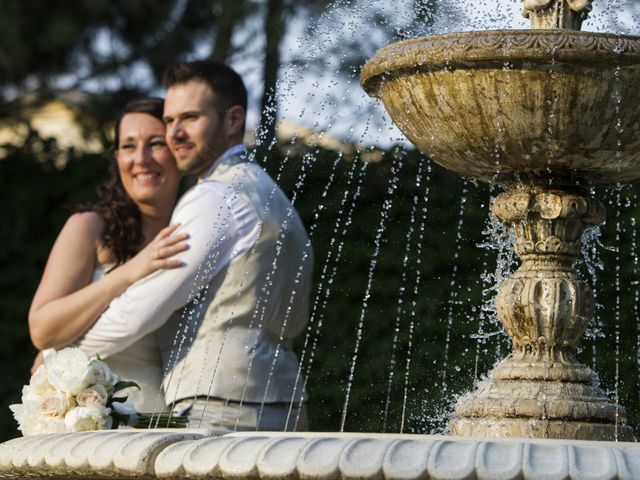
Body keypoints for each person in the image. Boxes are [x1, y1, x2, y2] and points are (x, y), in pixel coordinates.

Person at [75, 60, 314, 431]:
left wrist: (70, 354)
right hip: (282, 398)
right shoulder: (273, 196)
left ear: (233, 121)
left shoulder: (215, 197)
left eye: (190, 118)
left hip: (222, 406)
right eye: (169, 121)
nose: (175, 134)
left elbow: (144, 309)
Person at [28, 97, 188, 411]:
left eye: (155, 144)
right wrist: (130, 272)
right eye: (128, 146)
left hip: (168, 415)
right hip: (94, 418)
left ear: (178, 152)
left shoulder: (196, 231)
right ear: (116, 158)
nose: (141, 159)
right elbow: (43, 329)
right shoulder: (90, 227)